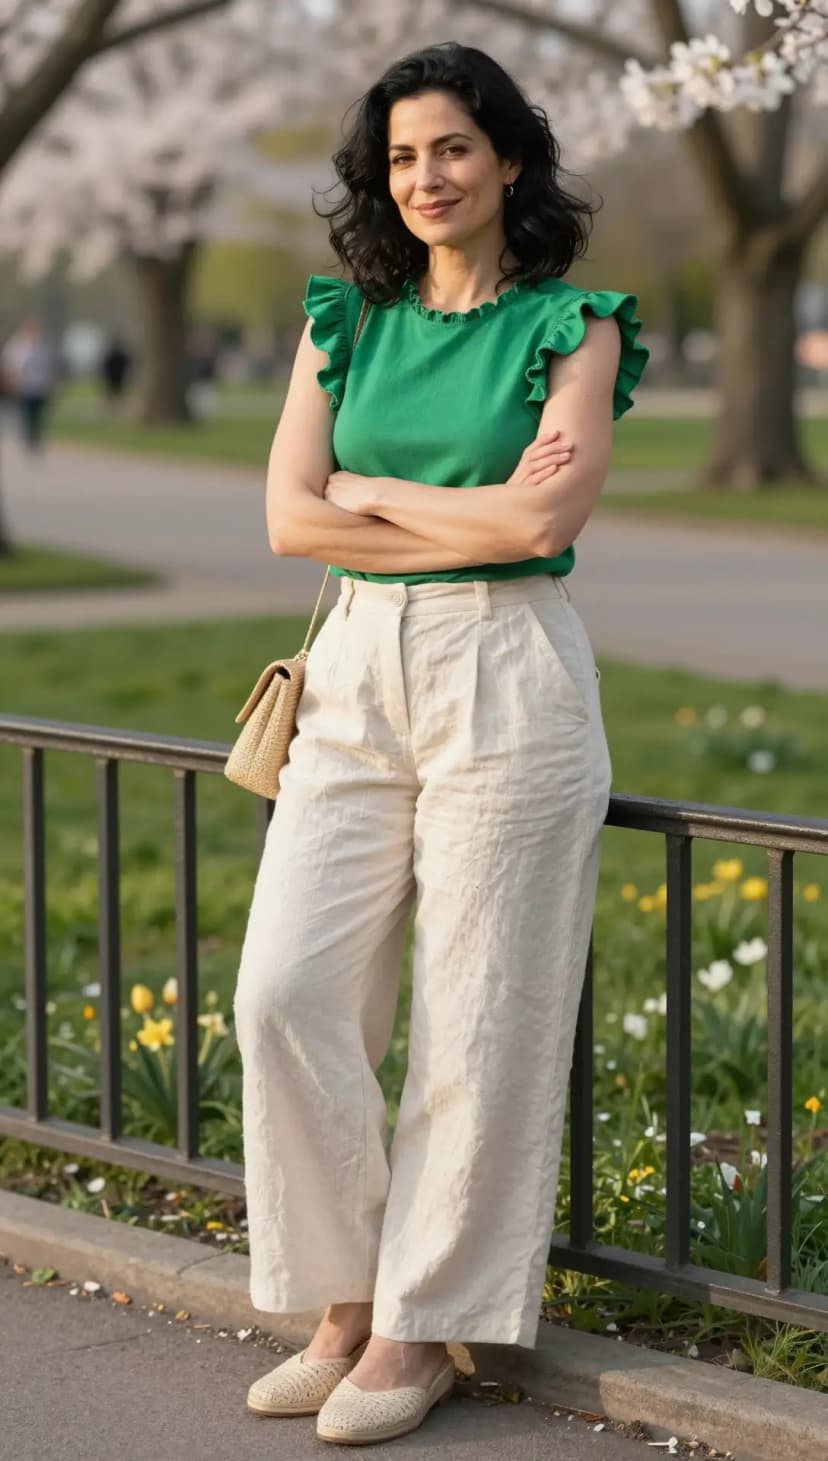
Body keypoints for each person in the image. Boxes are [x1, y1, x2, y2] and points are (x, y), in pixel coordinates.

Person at [233, 40, 649, 1447]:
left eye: (454, 148)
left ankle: (415, 1328)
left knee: (480, 1014)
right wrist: (412, 501)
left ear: (511, 159)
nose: (428, 176)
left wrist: (366, 479)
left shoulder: (574, 324)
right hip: (357, 665)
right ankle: (343, 1290)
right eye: (404, 155)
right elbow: (289, 518)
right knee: (282, 990)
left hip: (509, 670)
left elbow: (540, 528)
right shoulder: (344, 316)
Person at [0, 316, 58, 451]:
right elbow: (8, 365)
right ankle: (28, 438)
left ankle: (35, 437)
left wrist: (52, 382)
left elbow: (50, 367)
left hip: (40, 387)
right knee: (26, 414)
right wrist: (10, 380)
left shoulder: (43, 347)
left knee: (38, 414)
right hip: (24, 387)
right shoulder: (17, 346)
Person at [99, 335, 133, 411]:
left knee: (113, 391)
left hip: (114, 375)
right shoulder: (119, 354)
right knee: (116, 391)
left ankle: (113, 406)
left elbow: (106, 365)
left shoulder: (111, 354)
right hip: (117, 375)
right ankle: (116, 406)